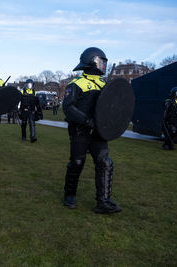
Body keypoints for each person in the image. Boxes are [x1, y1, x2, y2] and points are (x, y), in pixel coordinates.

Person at [62, 47, 121, 214]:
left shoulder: (104, 85)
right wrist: (86, 120)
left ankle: (103, 202)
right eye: (100, 62)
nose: (103, 66)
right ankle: (70, 195)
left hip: (98, 133)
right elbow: (68, 107)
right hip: (80, 131)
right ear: (91, 62)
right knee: (77, 163)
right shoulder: (76, 84)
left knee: (105, 163)